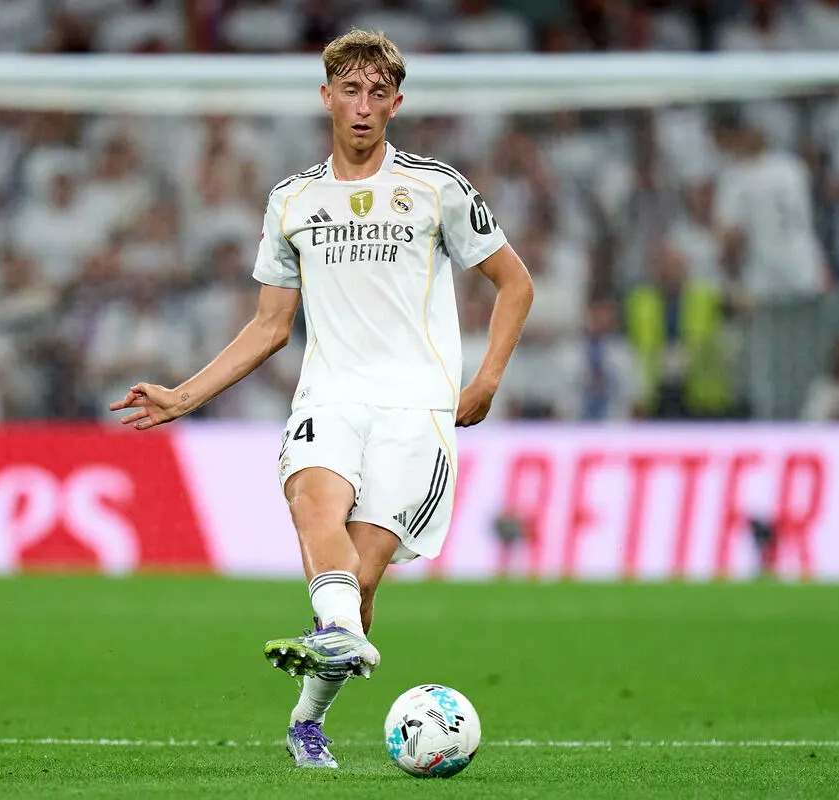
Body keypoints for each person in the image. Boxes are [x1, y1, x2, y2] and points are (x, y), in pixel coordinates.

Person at [108, 29, 533, 769]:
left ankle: (307, 719)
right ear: (326, 95)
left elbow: (516, 282)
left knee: (356, 593)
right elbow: (272, 326)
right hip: (329, 398)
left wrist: (488, 378)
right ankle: (333, 642)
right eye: (350, 90)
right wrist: (185, 395)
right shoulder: (293, 200)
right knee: (314, 505)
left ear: (395, 103)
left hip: (416, 411)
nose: (362, 107)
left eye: (377, 93)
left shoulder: (437, 187)